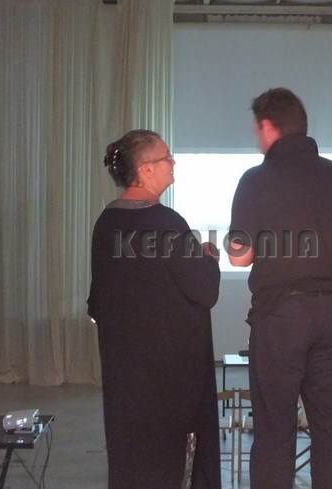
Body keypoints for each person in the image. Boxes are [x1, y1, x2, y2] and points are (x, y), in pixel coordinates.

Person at [228, 88, 332, 489]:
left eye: (256, 130)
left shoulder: (255, 180)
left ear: (268, 126)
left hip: (281, 316)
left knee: (275, 425)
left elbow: (239, 257)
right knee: (330, 423)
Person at [87, 129, 221, 489]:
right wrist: (209, 259)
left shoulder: (106, 223)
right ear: (145, 169)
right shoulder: (166, 224)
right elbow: (205, 290)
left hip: (125, 377)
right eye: (166, 157)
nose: (173, 162)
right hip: (171, 379)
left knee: (133, 462)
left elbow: (98, 301)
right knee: (172, 462)